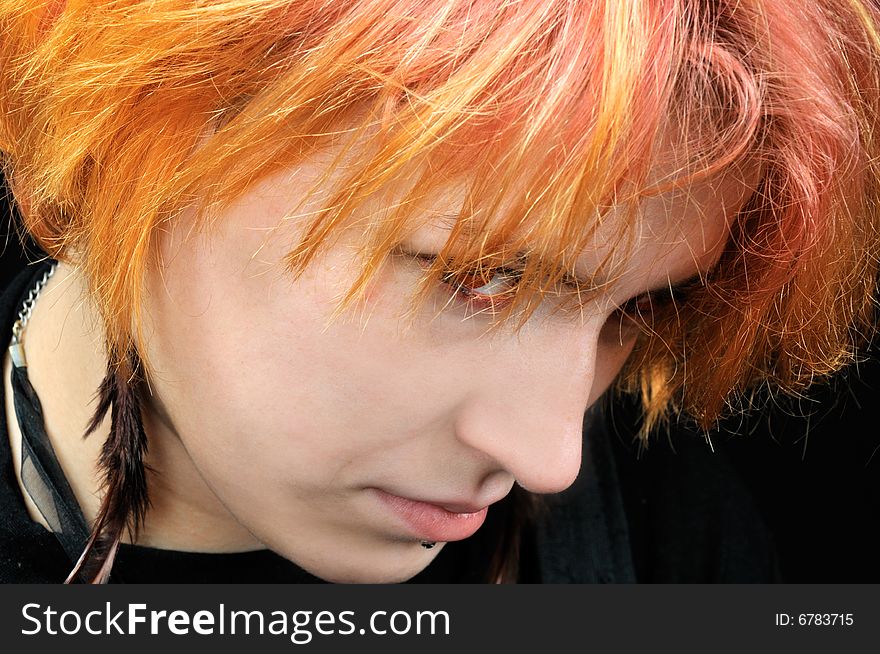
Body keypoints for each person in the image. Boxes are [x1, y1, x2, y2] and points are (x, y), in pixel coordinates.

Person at [0, 0, 877, 584]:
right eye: (480, 276)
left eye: (637, 309)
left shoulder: (673, 536)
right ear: (138, 132)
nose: (549, 457)